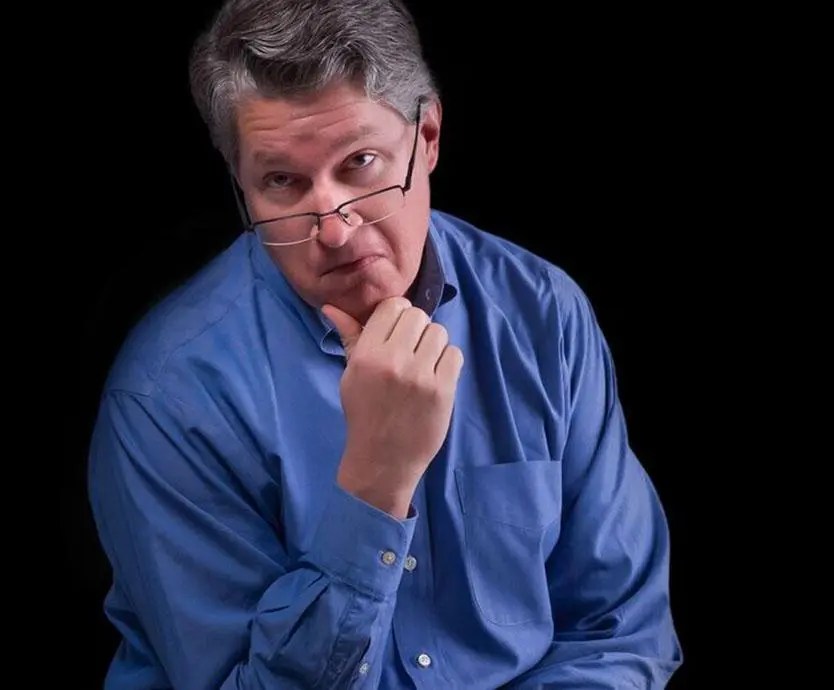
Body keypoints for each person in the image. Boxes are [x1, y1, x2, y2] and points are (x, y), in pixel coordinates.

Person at [87, 0, 683, 687]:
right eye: (282, 182)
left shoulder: (542, 314)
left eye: (361, 163)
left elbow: (618, 632)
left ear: (426, 137)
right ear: (241, 187)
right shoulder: (168, 396)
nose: (334, 228)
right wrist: (375, 485)